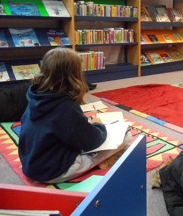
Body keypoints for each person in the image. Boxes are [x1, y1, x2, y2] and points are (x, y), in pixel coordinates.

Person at [18, 48, 131, 183]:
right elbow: (93, 141)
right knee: (126, 136)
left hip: (31, 164)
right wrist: (98, 124)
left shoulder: (35, 96)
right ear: (75, 75)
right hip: (53, 171)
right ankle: (105, 160)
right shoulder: (65, 107)